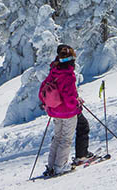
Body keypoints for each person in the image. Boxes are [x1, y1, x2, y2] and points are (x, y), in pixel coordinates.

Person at [38, 45, 93, 177]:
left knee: (57, 138)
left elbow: (43, 89)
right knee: (66, 139)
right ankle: (60, 166)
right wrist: (77, 103)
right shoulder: (68, 75)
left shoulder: (54, 71)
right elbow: (69, 98)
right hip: (67, 112)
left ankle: (51, 166)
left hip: (55, 111)